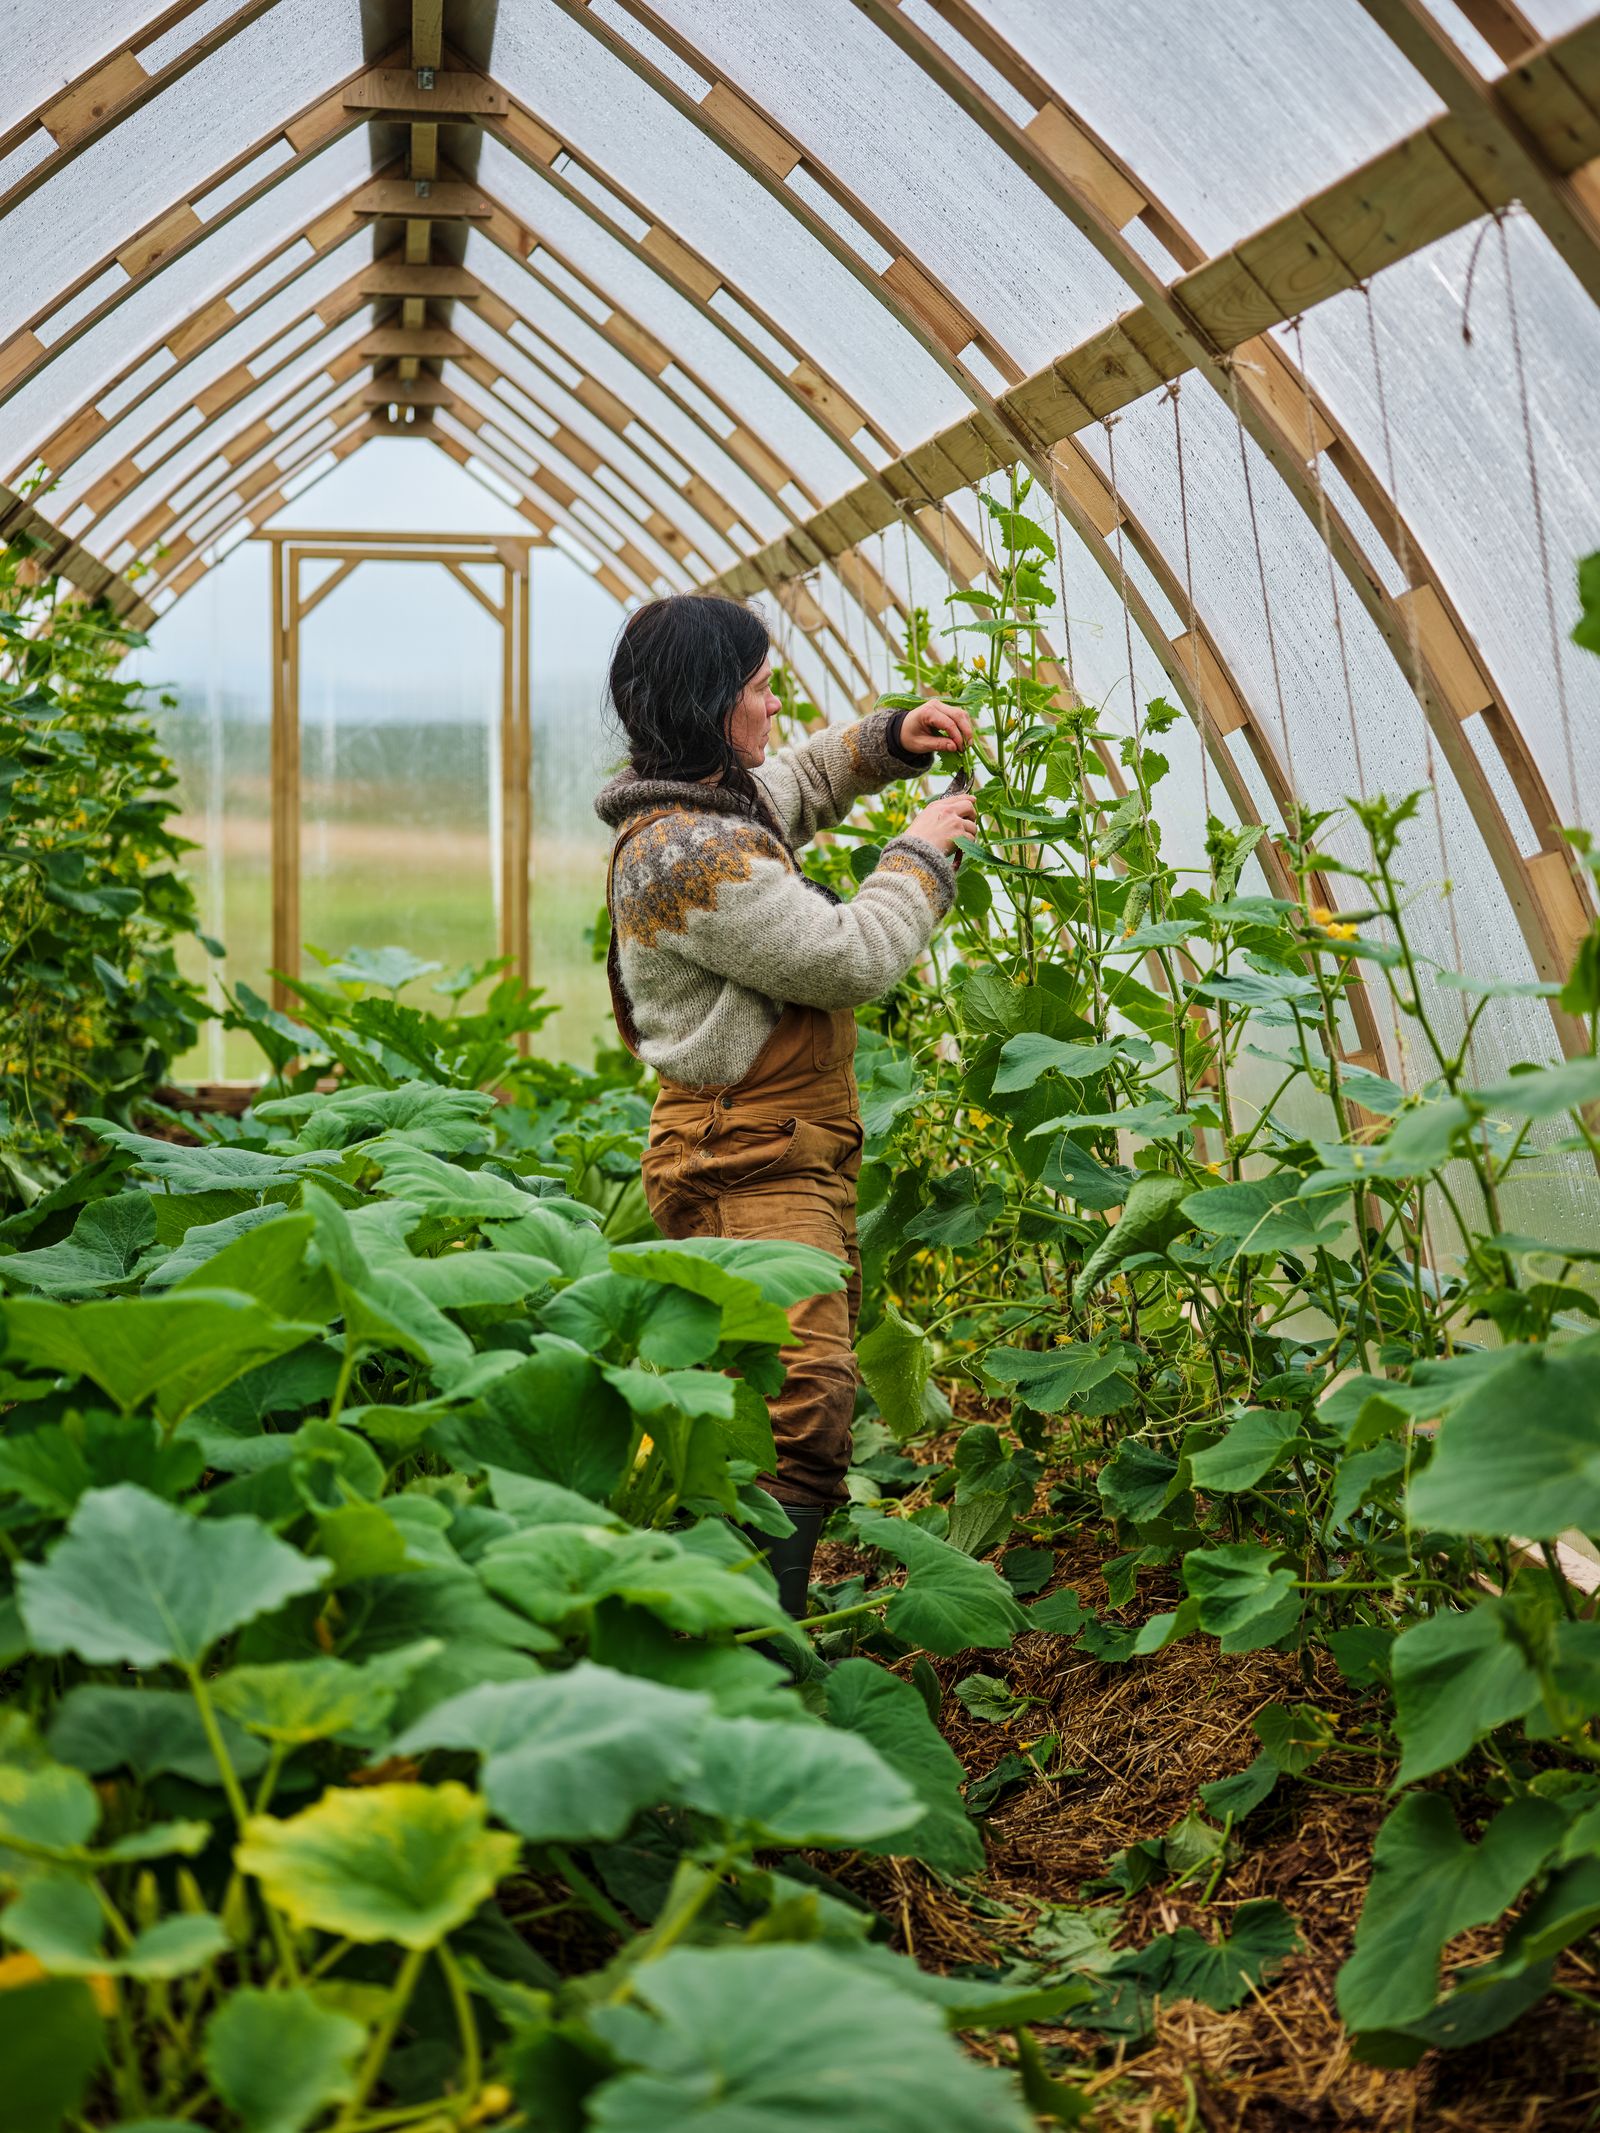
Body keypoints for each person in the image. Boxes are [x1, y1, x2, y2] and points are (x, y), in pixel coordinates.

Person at [595, 592, 975, 1614]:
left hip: (781, 1139)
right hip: (741, 1149)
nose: (774, 706)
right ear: (709, 703)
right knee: (799, 1398)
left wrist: (889, 741)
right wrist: (919, 855)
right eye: (760, 689)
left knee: (773, 1390)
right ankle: (757, 1642)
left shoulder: (708, 803)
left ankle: (730, 1620)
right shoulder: (687, 855)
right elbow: (848, 959)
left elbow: (794, 782)